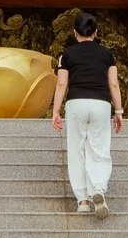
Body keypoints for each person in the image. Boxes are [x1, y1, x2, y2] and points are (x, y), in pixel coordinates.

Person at [51, 11, 123, 216]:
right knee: (99, 148)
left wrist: (56, 111)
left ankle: (82, 200)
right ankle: (98, 189)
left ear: (75, 32)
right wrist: (118, 111)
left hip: (76, 103)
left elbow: (62, 83)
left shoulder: (67, 54)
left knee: (77, 149)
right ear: (96, 32)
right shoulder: (107, 54)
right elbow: (114, 84)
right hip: (100, 104)